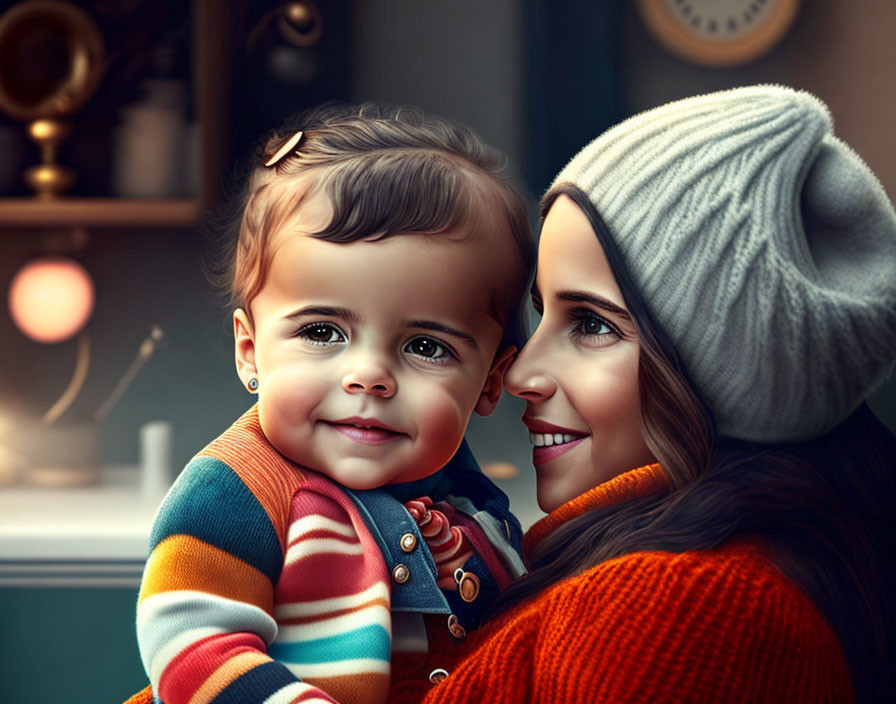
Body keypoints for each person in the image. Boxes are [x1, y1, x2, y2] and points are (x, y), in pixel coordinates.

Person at [416, 85, 896, 703]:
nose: (519, 374)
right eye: (543, 312)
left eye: (591, 323)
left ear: (730, 370)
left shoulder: (681, 612)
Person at [126, 103, 534, 704]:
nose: (369, 376)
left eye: (425, 346)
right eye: (322, 332)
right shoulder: (237, 491)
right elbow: (191, 649)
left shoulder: (468, 499)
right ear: (251, 352)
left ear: (491, 383)